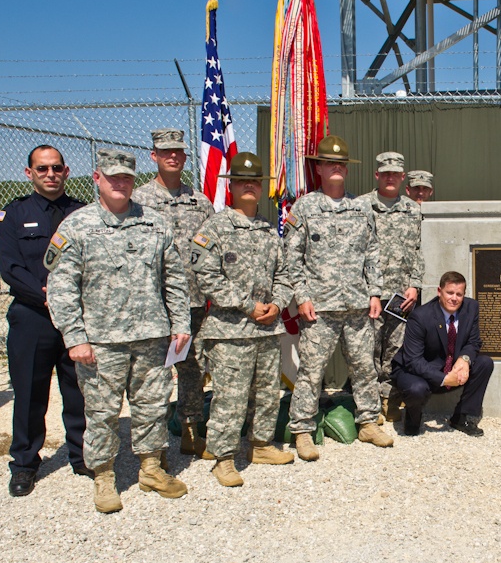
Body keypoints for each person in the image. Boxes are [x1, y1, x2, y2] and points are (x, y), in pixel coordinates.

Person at [45, 148, 192, 513]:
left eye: (126, 177)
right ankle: (104, 476)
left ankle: (151, 468)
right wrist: (74, 338)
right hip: (101, 341)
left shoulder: (156, 223)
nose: (120, 183)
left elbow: (173, 279)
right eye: (113, 178)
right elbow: (62, 287)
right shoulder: (77, 226)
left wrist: (181, 324)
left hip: (152, 335)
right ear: (98, 179)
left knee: (153, 406)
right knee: (102, 412)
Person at [282, 135, 393, 460]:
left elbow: (373, 253)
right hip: (320, 308)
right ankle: (302, 430)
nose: (336, 168)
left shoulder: (361, 207)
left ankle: (368, 422)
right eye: (330, 163)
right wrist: (301, 296)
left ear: (346, 169)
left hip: (357, 305)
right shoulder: (305, 207)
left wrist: (375, 292)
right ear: (319, 169)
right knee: (311, 371)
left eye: (340, 164)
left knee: (364, 368)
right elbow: (292, 257)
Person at [190, 152, 295, 487]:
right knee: (230, 396)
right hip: (230, 329)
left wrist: (277, 305)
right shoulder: (215, 228)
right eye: (242, 181)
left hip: (266, 328)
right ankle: (223, 457)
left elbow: (285, 274)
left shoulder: (268, 230)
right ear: (231, 185)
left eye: (255, 181)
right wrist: (248, 306)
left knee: (266, 392)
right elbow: (206, 276)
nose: (249, 187)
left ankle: (261, 445)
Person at [0, 145, 90, 497]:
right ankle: (24, 463)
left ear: (66, 171)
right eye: (42, 169)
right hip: (32, 316)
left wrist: (70, 302)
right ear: (29, 173)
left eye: (56, 168)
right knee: (30, 392)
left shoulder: (82, 213)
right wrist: (47, 296)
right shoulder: (14, 215)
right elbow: (10, 267)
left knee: (78, 389)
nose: (50, 174)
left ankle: (82, 455)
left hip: (76, 319)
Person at [132, 128, 216, 460]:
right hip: (153, 304)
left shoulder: (199, 201)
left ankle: (191, 429)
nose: (173, 156)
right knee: (152, 373)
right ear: (153, 156)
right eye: (165, 152)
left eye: (178, 152)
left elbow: (210, 246)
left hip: (193, 301)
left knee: (192, 367)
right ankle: (151, 443)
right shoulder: (138, 200)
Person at [391, 271, 494, 436]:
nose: (454, 298)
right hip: (415, 371)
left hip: (451, 366)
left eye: (459, 294)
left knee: (484, 363)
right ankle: (413, 418)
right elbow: (413, 360)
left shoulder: (471, 307)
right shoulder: (420, 316)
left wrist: (464, 360)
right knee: (416, 388)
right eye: (450, 293)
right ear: (439, 291)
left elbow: (474, 342)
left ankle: (462, 418)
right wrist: (445, 379)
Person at [367, 151, 423, 422]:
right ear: (377, 175)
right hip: (371, 294)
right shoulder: (362, 206)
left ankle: (390, 398)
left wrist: (415, 286)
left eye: (395, 174)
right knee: (368, 349)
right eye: (385, 173)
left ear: (403, 177)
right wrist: (369, 291)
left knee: (395, 349)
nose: (390, 178)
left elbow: (417, 250)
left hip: (401, 296)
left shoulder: (412, 209)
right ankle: (369, 405)